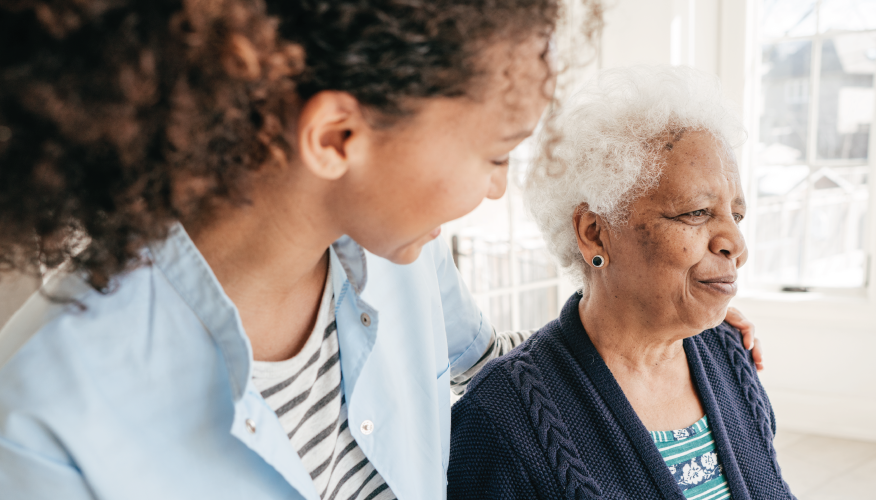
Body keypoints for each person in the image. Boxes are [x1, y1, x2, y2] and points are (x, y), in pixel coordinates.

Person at [0, 2, 760, 499]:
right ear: (338, 138)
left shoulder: (403, 260)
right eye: (496, 154)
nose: (498, 190)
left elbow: (497, 366)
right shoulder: (43, 419)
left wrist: (640, 345)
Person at [448, 65, 794, 500]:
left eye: (736, 216)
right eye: (696, 212)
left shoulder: (729, 352)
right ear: (594, 232)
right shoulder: (498, 419)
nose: (736, 244)